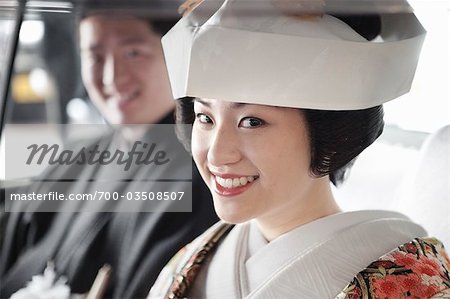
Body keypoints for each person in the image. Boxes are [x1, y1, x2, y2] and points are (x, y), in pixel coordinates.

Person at [149, 0, 450, 298]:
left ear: (331, 137)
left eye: (252, 121)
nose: (216, 154)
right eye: (205, 118)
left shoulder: (410, 279)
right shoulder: (194, 259)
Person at [0, 5, 218, 299]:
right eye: (95, 56)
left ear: (177, 54)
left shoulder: (204, 175)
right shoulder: (72, 161)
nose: (112, 76)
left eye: (133, 53)